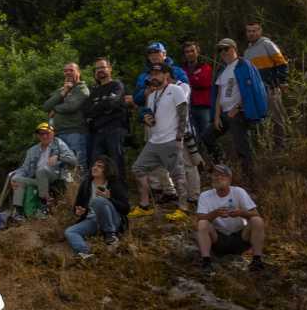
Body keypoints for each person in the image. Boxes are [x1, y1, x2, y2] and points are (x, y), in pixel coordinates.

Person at [129, 63, 190, 221]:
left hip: (171, 139)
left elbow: (183, 112)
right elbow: (151, 116)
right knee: (138, 168)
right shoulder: (152, 95)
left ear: (166, 75)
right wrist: (147, 119)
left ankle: (183, 208)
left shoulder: (175, 90)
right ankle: (145, 206)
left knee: (178, 174)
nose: (153, 77)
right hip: (154, 140)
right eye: (151, 74)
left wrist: (179, 137)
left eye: (157, 73)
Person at [205, 38, 268, 182]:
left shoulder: (243, 65)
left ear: (234, 48)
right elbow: (219, 94)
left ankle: (250, 179)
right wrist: (216, 116)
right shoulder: (222, 70)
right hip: (223, 114)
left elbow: (250, 89)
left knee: (242, 147)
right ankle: (221, 167)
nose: (223, 52)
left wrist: (238, 108)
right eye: (220, 50)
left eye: (226, 49)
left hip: (238, 113)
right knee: (207, 136)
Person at [195, 164, 266, 273]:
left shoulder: (238, 191)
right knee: (202, 223)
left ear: (229, 179)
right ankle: (206, 261)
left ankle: (257, 260)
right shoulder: (205, 195)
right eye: (215, 175)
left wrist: (241, 213)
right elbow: (200, 218)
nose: (218, 178)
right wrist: (215, 214)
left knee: (257, 221)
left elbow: (255, 214)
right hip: (218, 239)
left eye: (222, 175)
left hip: (240, 237)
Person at [0, 122, 78, 219]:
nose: (45, 136)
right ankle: (18, 212)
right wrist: (15, 177)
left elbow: (73, 160)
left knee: (42, 170)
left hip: (55, 176)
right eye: (41, 134)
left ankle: (44, 204)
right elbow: (24, 169)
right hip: (38, 180)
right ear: (38, 136)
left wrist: (58, 157)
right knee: (17, 179)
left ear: (53, 133)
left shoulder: (59, 143)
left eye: (47, 133)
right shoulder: (32, 150)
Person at [65, 157, 130, 261]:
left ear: (107, 170)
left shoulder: (115, 184)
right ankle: (85, 254)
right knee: (70, 231)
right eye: (94, 165)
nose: (95, 168)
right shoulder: (86, 184)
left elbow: (126, 209)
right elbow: (78, 206)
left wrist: (109, 199)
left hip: (113, 220)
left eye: (100, 166)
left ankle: (110, 236)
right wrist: (80, 212)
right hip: (93, 220)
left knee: (98, 201)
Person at [243, 21, 289, 149]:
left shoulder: (267, 44)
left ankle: (281, 146)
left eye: (254, 31)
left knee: (276, 117)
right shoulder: (247, 52)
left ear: (260, 31)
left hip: (271, 87)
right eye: (249, 31)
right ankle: (267, 147)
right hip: (257, 91)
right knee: (263, 120)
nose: (251, 33)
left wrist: (282, 81)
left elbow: (282, 63)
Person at [43, 62, 90, 172]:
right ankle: (67, 190)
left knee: (78, 165)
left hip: (75, 133)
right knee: (62, 168)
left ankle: (81, 189)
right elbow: (46, 106)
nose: (68, 72)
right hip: (57, 134)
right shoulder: (62, 89)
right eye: (65, 70)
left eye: (71, 70)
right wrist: (63, 92)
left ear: (78, 72)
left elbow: (71, 106)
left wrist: (55, 109)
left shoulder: (82, 88)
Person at [85, 58, 128, 175]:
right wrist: (103, 107)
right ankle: (100, 192)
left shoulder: (116, 85)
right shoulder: (94, 90)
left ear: (109, 69)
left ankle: (119, 192)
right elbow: (87, 110)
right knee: (96, 166)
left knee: (116, 164)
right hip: (97, 133)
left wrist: (98, 106)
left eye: (102, 67)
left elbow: (111, 103)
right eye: (97, 68)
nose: (100, 70)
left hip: (115, 130)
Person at [127, 42, 188, 109]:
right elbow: (136, 99)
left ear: (164, 54)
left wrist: (164, 87)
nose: (153, 56)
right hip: (151, 115)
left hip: (173, 112)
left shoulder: (177, 71)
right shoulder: (143, 76)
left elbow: (185, 92)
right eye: (150, 53)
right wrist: (145, 92)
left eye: (157, 52)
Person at [181, 42, 214, 150]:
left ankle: (216, 159)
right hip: (189, 106)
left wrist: (188, 81)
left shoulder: (206, 67)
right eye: (187, 52)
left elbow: (204, 82)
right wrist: (194, 79)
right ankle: (201, 163)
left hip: (203, 105)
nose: (190, 54)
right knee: (194, 137)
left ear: (197, 52)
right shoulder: (182, 69)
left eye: (192, 51)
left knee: (207, 134)